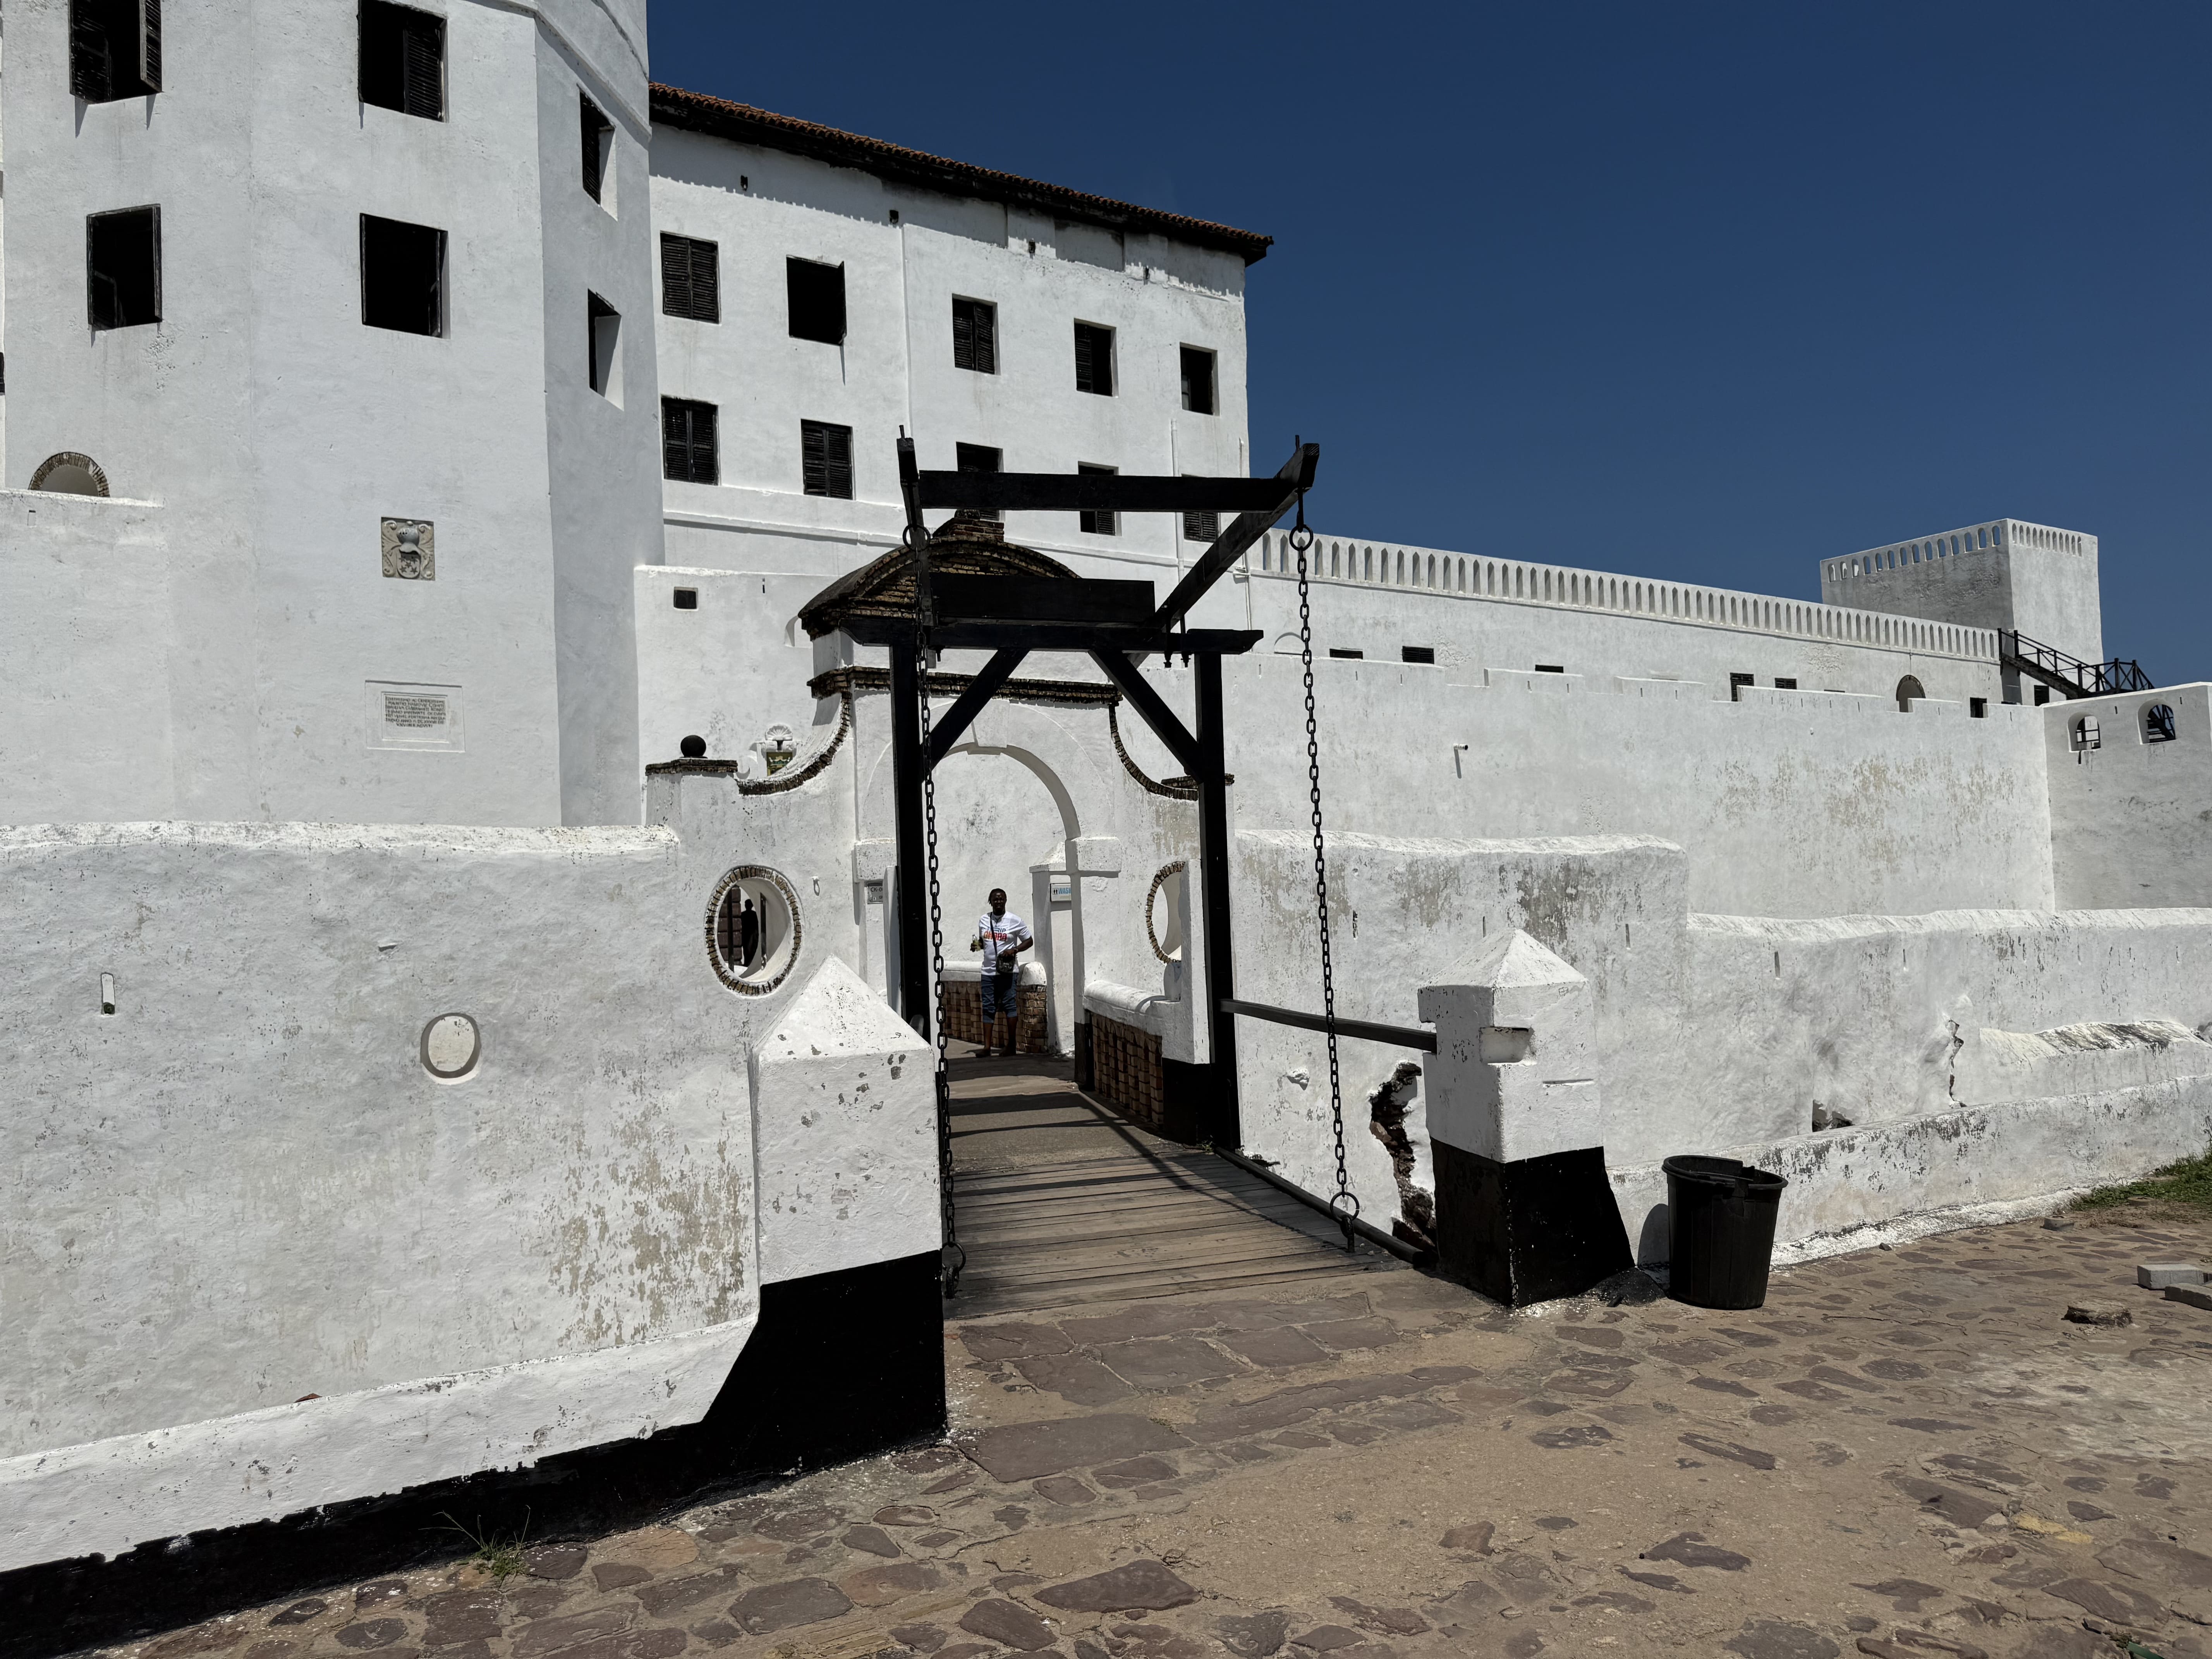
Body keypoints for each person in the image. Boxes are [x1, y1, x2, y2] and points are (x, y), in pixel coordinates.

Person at [971, 888, 1033, 1057]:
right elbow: (985, 943)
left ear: (1006, 901)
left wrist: (1014, 950)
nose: (998, 902)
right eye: (995, 899)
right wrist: (976, 946)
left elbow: (1029, 941)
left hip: (1007, 971)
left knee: (1010, 1006)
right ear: (990, 902)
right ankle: (987, 1048)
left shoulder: (1015, 921)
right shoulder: (984, 920)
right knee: (988, 1007)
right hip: (988, 971)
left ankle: (1011, 1046)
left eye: (1002, 899)